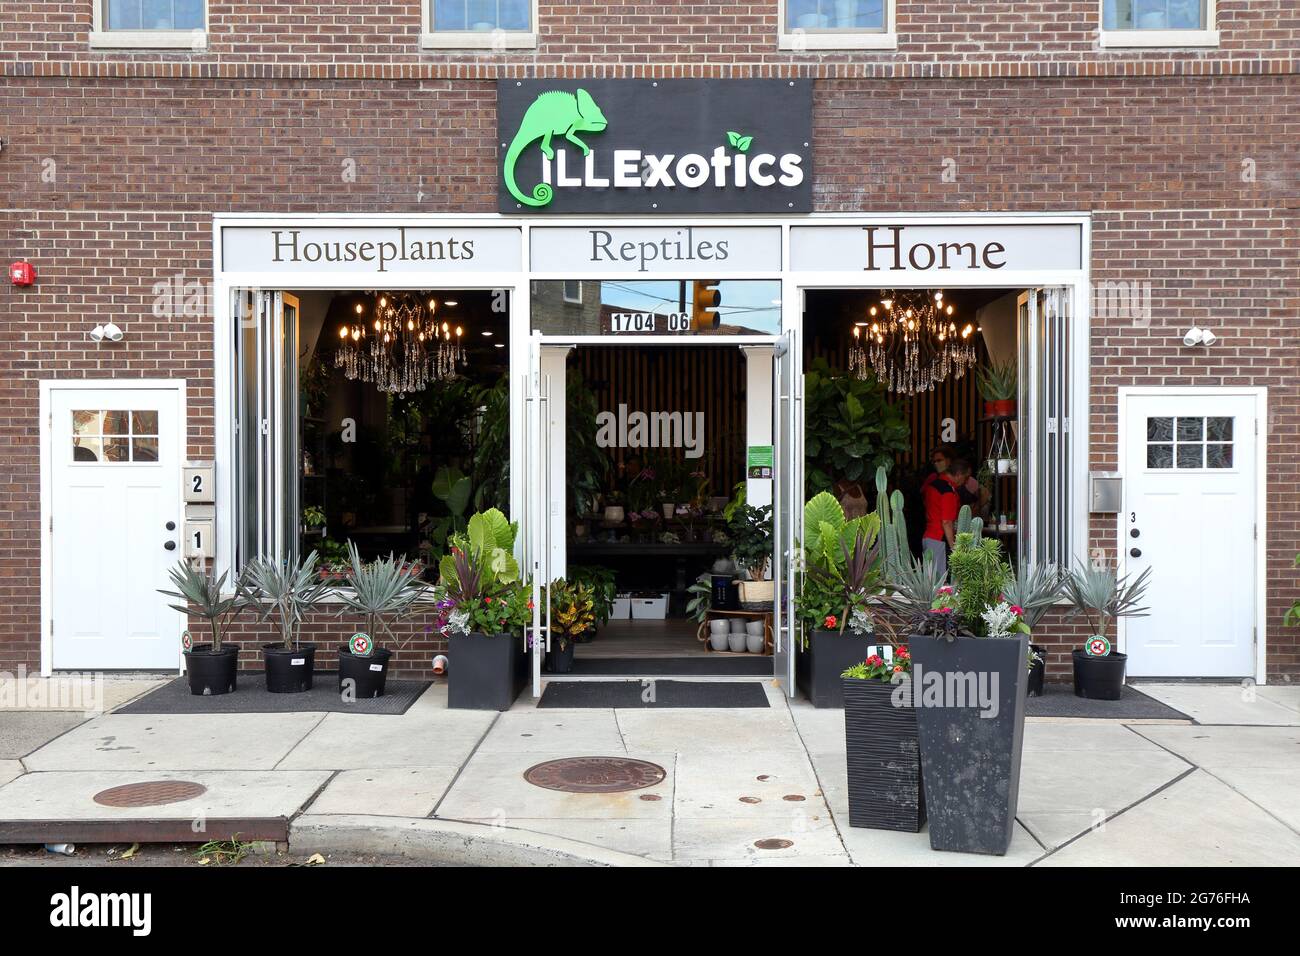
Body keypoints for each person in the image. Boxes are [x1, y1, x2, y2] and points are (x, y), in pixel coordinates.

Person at [921, 463, 960, 578]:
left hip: (929, 536)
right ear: (958, 475)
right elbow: (946, 521)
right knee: (938, 583)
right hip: (938, 538)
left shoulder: (932, 485)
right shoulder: (946, 490)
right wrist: (953, 547)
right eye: (966, 477)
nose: (966, 481)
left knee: (931, 580)